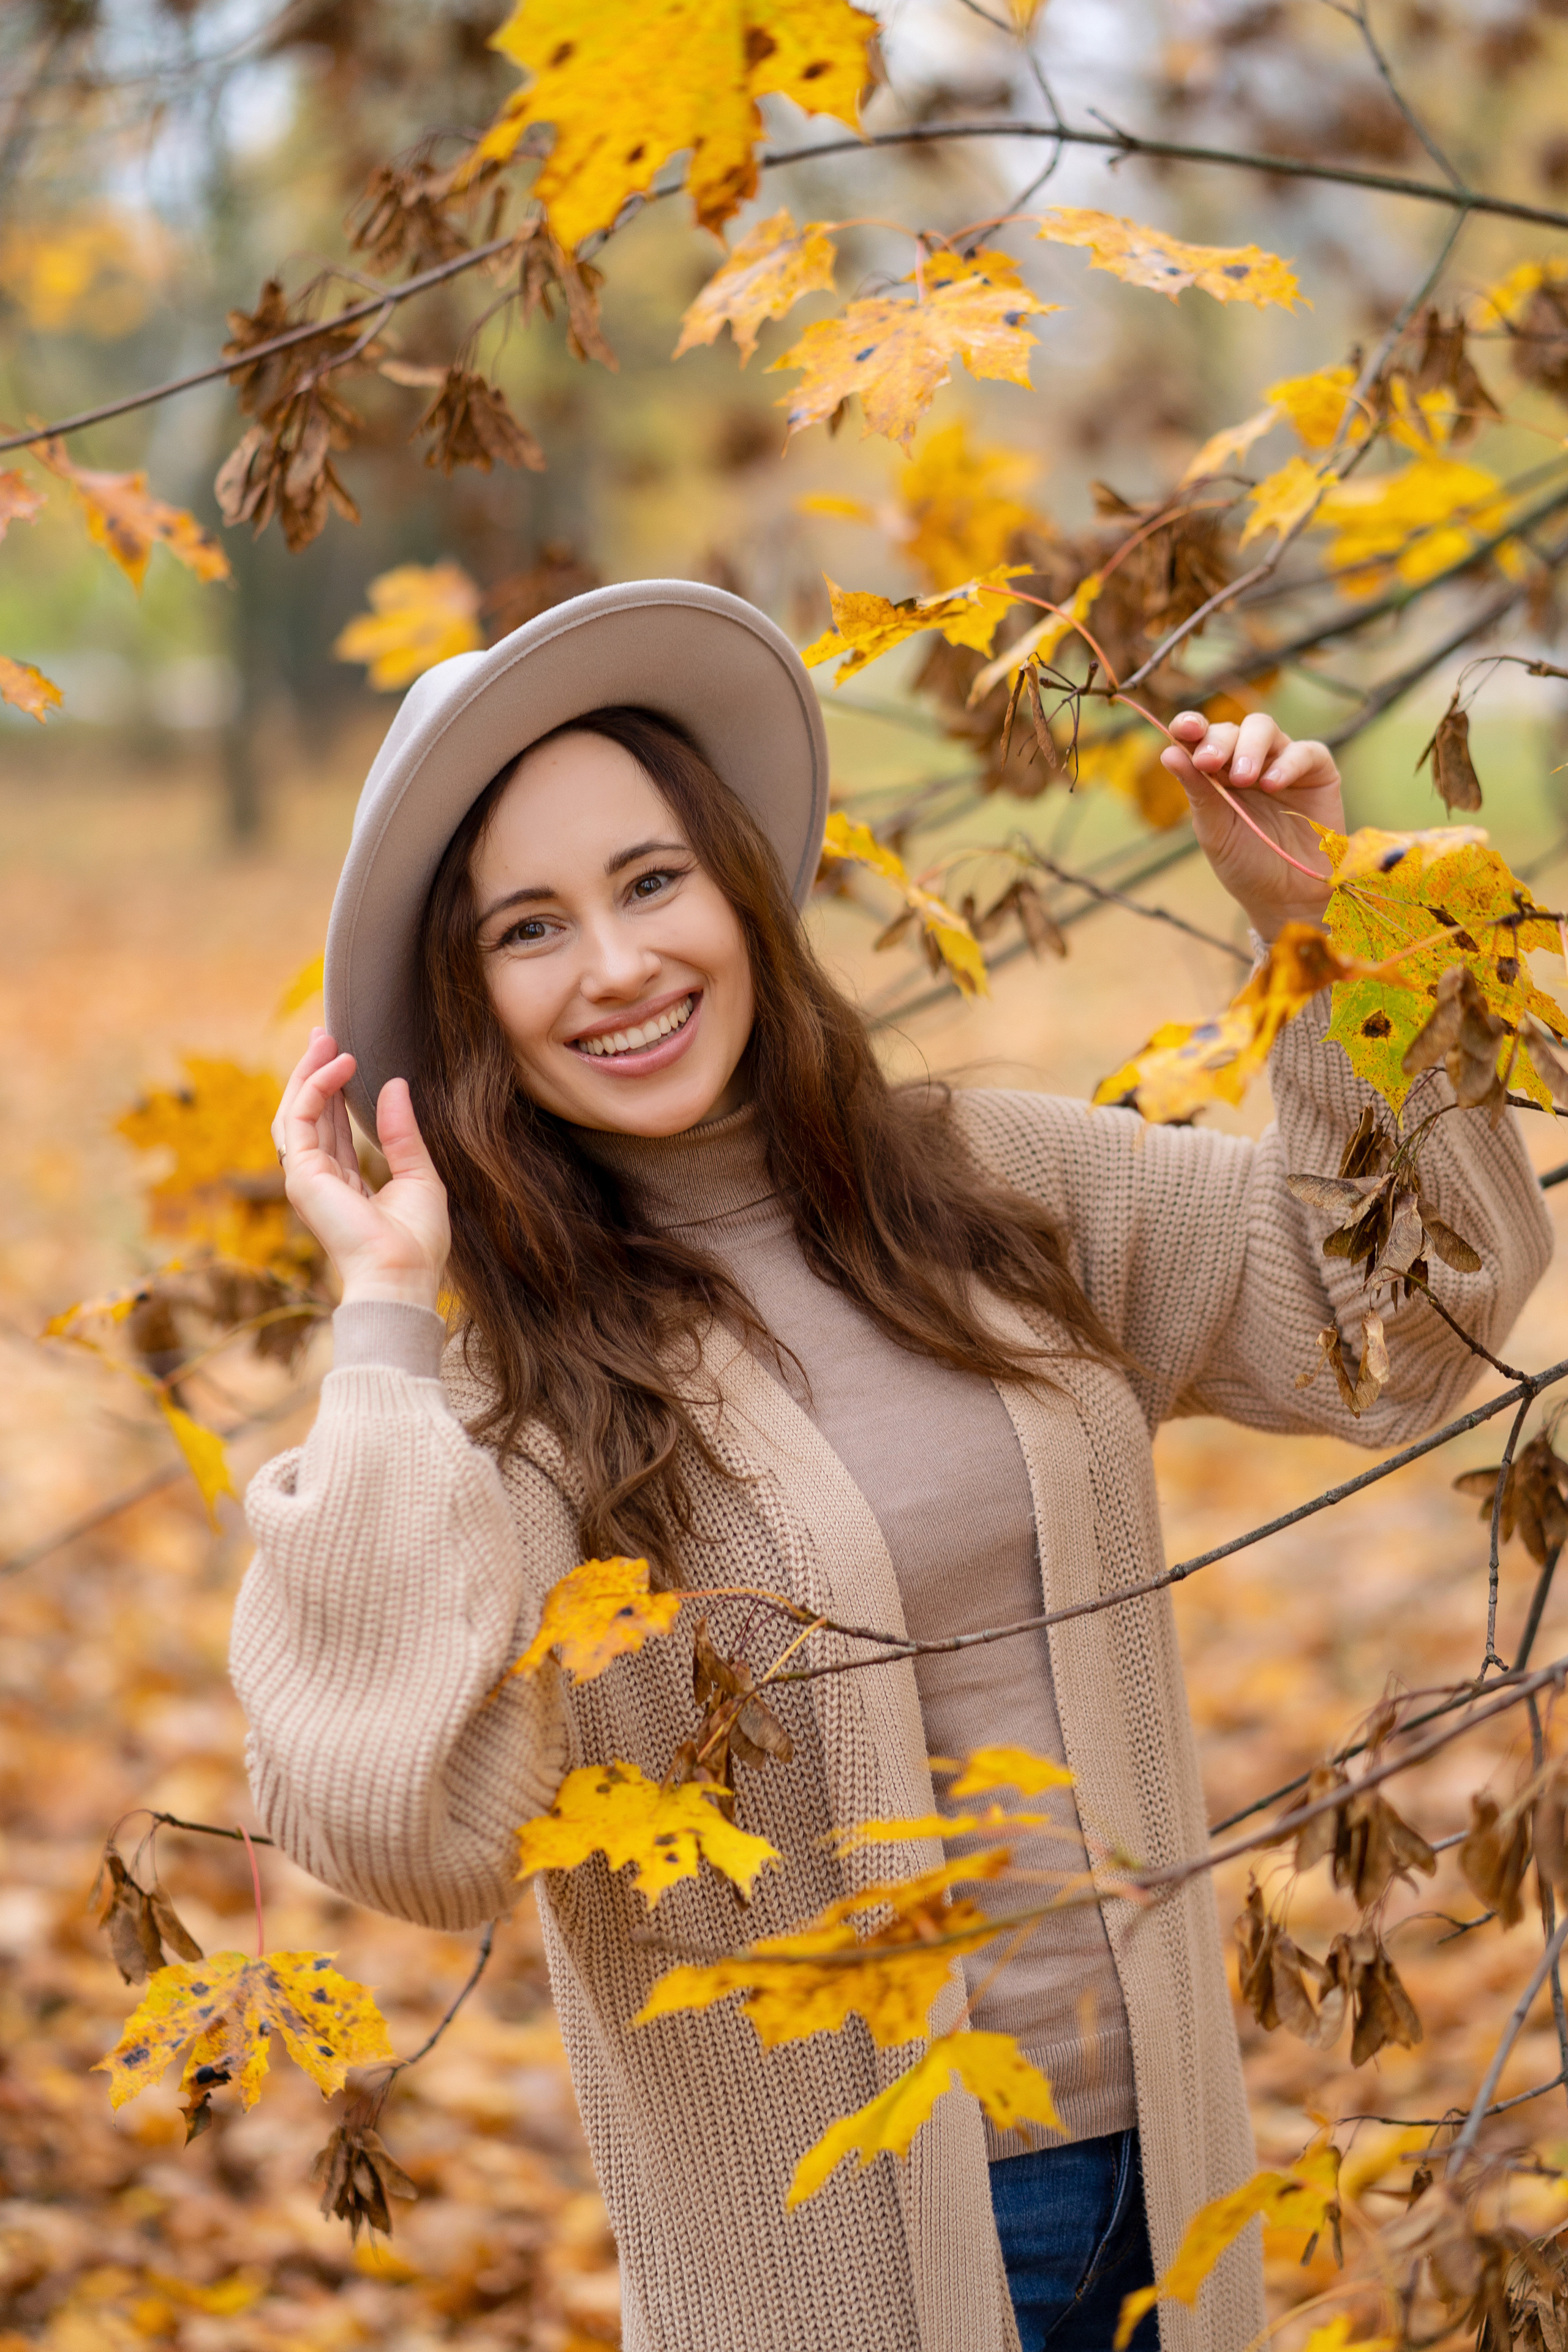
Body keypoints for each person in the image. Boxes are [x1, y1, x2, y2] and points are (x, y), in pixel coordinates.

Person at [233, 582, 1551, 2352]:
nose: (616, 967)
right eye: (528, 929)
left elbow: (1398, 1321)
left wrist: (1331, 935)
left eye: (650, 881)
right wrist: (388, 1313)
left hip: (1171, 2174)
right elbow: (400, 1820)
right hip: (841, 2259)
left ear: (736, 891)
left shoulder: (988, 1191)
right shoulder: (510, 1402)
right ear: (470, 1005)